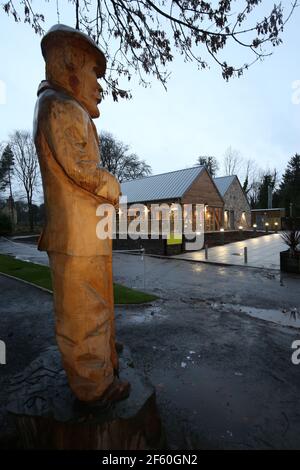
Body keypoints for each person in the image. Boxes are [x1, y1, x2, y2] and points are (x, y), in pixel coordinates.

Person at [33, 24, 130, 403]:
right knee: (83, 310)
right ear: (68, 66)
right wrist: (109, 183)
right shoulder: (59, 107)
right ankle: (93, 384)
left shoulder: (69, 108)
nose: (99, 85)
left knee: (99, 301)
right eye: (94, 72)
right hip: (76, 237)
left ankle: (103, 358)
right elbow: (78, 166)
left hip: (89, 235)